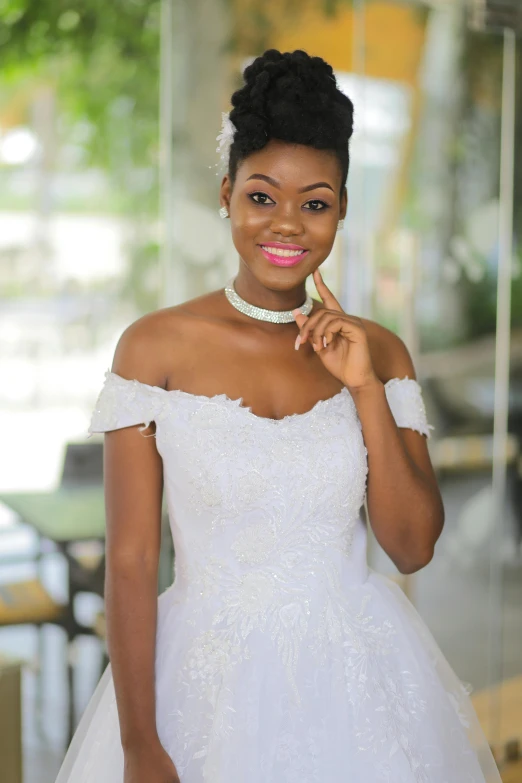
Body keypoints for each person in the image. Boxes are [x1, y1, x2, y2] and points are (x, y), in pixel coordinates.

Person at [55, 49, 501, 783]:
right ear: (227, 194)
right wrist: (140, 743)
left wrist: (362, 387)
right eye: (263, 196)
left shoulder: (379, 351)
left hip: (361, 683)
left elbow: (412, 545)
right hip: (198, 686)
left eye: (315, 202)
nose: (286, 223)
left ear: (342, 209)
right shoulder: (154, 347)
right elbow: (131, 562)